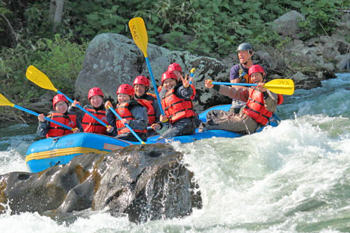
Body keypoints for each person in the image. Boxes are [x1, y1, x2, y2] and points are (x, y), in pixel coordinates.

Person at [199, 64, 283, 134]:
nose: (254, 78)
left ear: (263, 75)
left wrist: (264, 92)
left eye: (257, 75)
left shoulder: (270, 91)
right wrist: (214, 86)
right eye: (252, 76)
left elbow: (271, 107)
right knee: (212, 113)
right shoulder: (252, 90)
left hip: (250, 123)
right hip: (242, 117)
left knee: (208, 125)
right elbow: (233, 92)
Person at [151, 70, 197, 139]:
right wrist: (162, 122)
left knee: (162, 140)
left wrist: (186, 87)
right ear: (163, 85)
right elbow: (168, 122)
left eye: (171, 81)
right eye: (166, 82)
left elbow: (186, 93)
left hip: (185, 123)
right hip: (176, 125)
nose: (168, 84)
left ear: (176, 82)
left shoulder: (178, 90)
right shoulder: (164, 98)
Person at [229, 43, 255, 113]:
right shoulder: (235, 69)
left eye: (243, 52)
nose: (240, 55)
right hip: (239, 101)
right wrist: (251, 90)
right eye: (239, 53)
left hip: (254, 99)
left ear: (251, 54)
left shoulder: (258, 69)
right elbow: (235, 86)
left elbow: (261, 84)